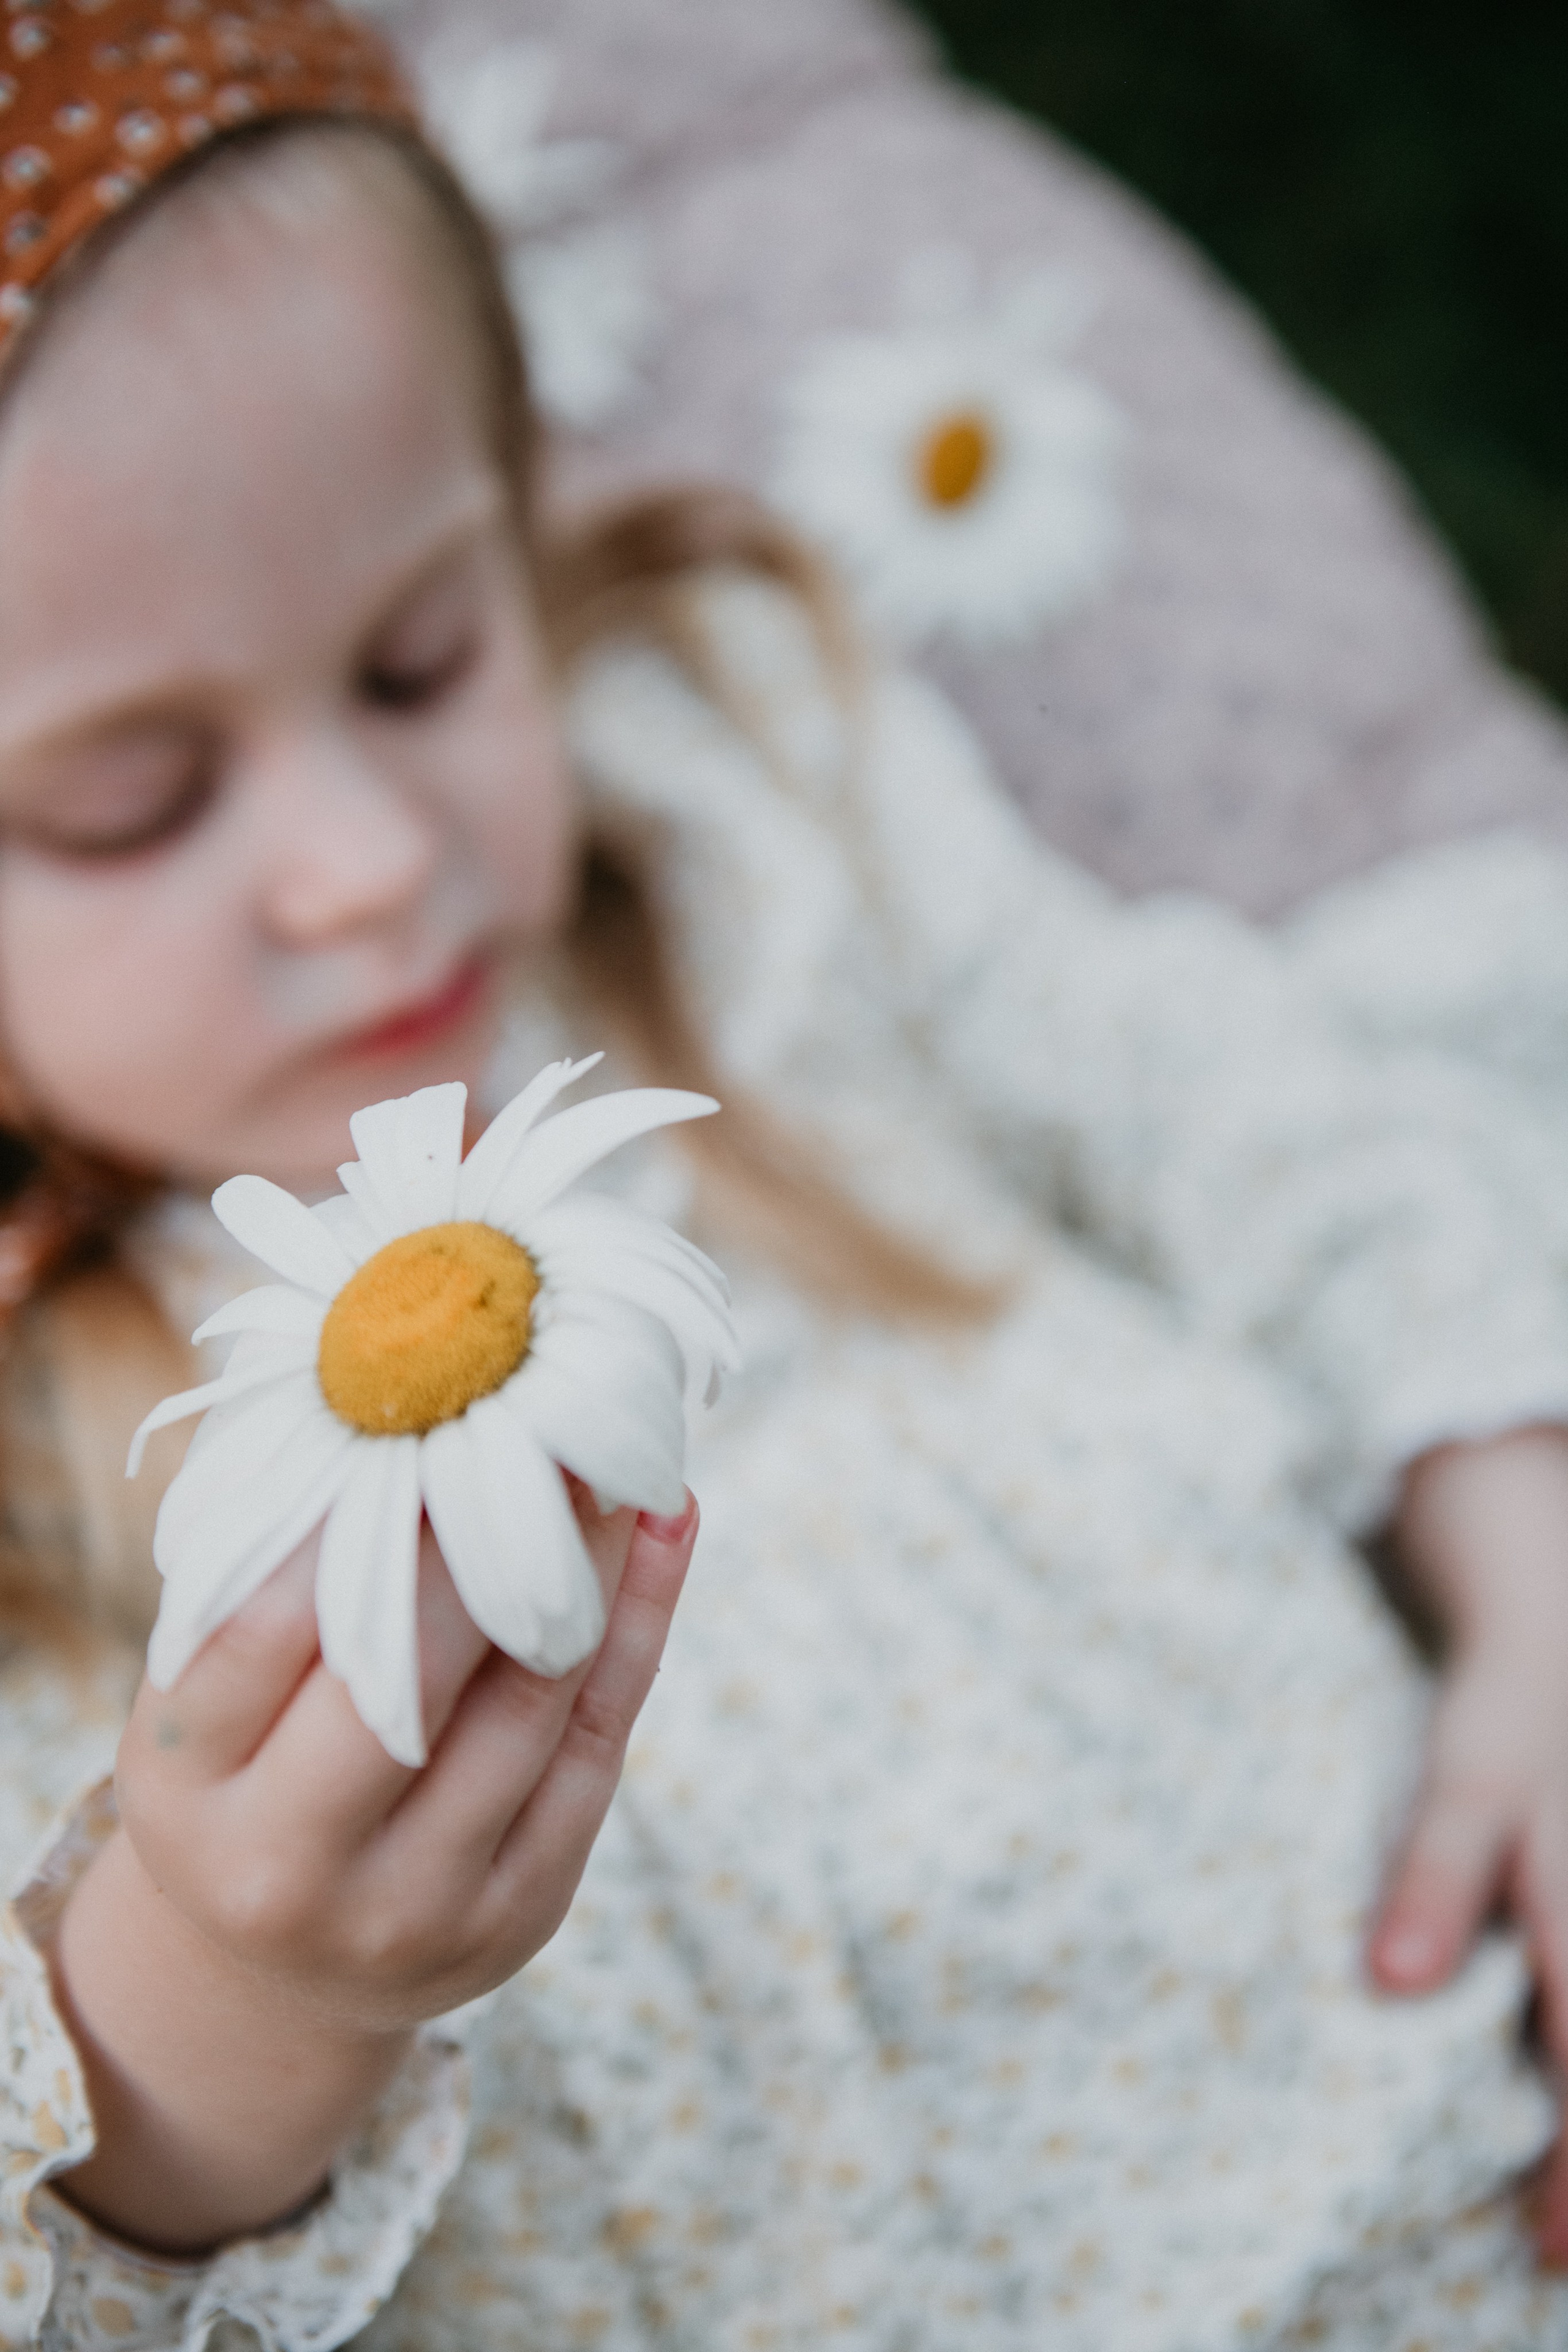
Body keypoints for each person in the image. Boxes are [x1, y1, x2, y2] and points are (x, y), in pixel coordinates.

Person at [4, 5, 1568, 2345]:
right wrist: (233, 1986)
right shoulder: (48, 1468)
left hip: (1442, 2165)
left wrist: (1524, 1546)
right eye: (132, 800)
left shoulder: (736, 810)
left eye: (427, 657)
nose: (361, 862)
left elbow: (1238, 1101)